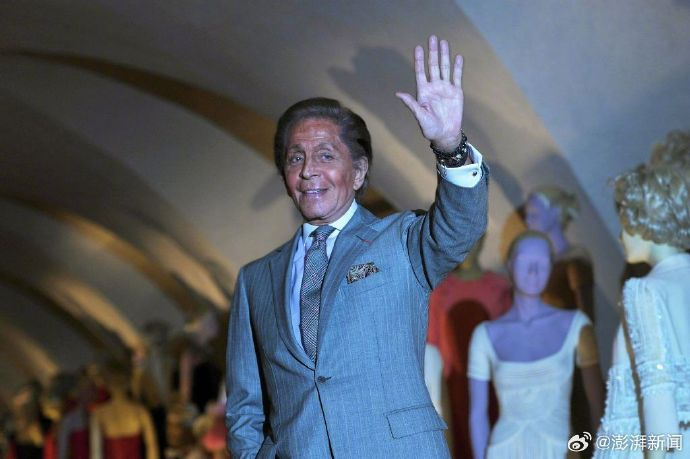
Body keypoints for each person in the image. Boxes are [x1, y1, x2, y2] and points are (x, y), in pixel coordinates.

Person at [225, 35, 489, 458]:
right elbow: (245, 406)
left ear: (360, 171)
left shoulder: (400, 240)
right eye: (295, 158)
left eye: (326, 155)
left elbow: (460, 228)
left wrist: (450, 146)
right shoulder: (255, 279)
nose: (308, 170)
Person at [595, 132, 690, 459]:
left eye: (624, 223)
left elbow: (657, 389)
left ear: (643, 223)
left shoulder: (644, 290)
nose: (620, 236)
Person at [468, 231, 604, 459]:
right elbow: (477, 415)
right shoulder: (485, 335)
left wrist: (602, 452)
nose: (533, 271)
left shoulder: (576, 325)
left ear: (551, 266)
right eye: (524, 262)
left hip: (561, 449)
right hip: (504, 451)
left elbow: (597, 403)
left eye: (542, 262)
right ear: (510, 265)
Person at [425, 235, 512, 458]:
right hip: (455, 388)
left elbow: (510, 341)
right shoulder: (440, 290)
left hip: (495, 384)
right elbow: (433, 347)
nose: (469, 248)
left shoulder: (499, 287)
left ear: (482, 240)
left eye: (474, 240)